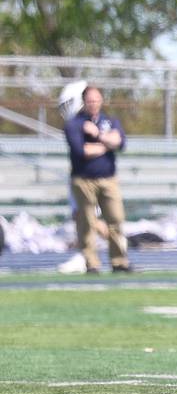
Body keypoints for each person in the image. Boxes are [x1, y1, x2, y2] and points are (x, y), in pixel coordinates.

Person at [63, 86, 133, 274]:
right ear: (84, 102)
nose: (94, 103)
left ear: (101, 100)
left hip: (108, 178)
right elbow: (82, 151)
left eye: (97, 100)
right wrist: (107, 145)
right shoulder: (74, 124)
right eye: (90, 100)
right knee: (86, 222)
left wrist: (98, 136)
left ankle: (119, 261)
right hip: (84, 180)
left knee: (116, 220)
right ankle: (91, 263)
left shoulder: (110, 121)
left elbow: (120, 143)